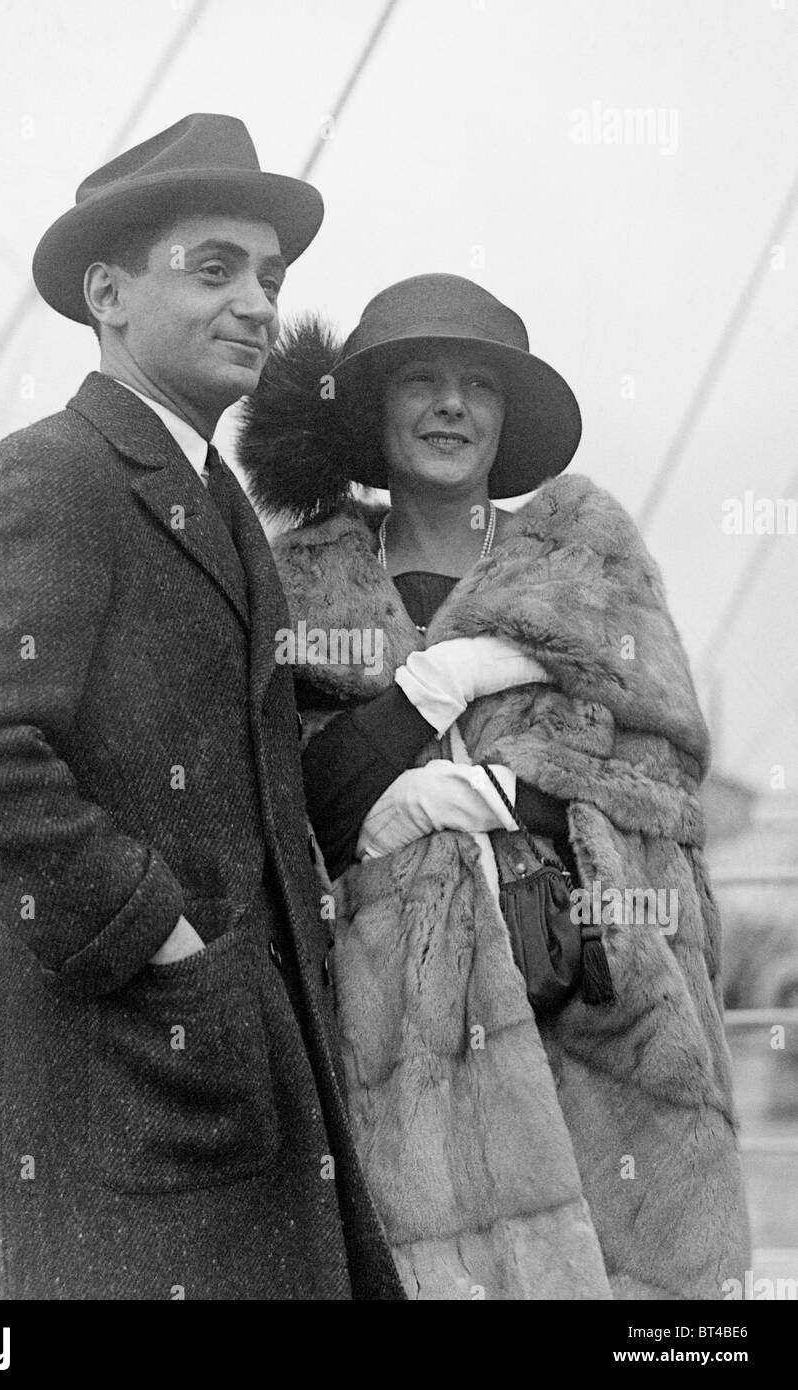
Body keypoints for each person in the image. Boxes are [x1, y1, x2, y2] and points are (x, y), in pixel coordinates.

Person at [0, 113, 404, 1301]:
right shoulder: (60, 471)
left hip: (216, 1073)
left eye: (269, 277)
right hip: (113, 1076)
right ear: (108, 292)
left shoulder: (214, 497)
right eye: (213, 267)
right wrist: (162, 945)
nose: (258, 305)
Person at [239, 272, 751, 1299]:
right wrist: (441, 695)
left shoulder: (586, 566)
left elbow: (656, 782)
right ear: (374, 411)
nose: (448, 405)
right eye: (418, 380)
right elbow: (288, 804)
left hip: (584, 1011)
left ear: (506, 415)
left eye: (477, 382)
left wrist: (481, 795)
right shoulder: (295, 580)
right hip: (379, 1035)